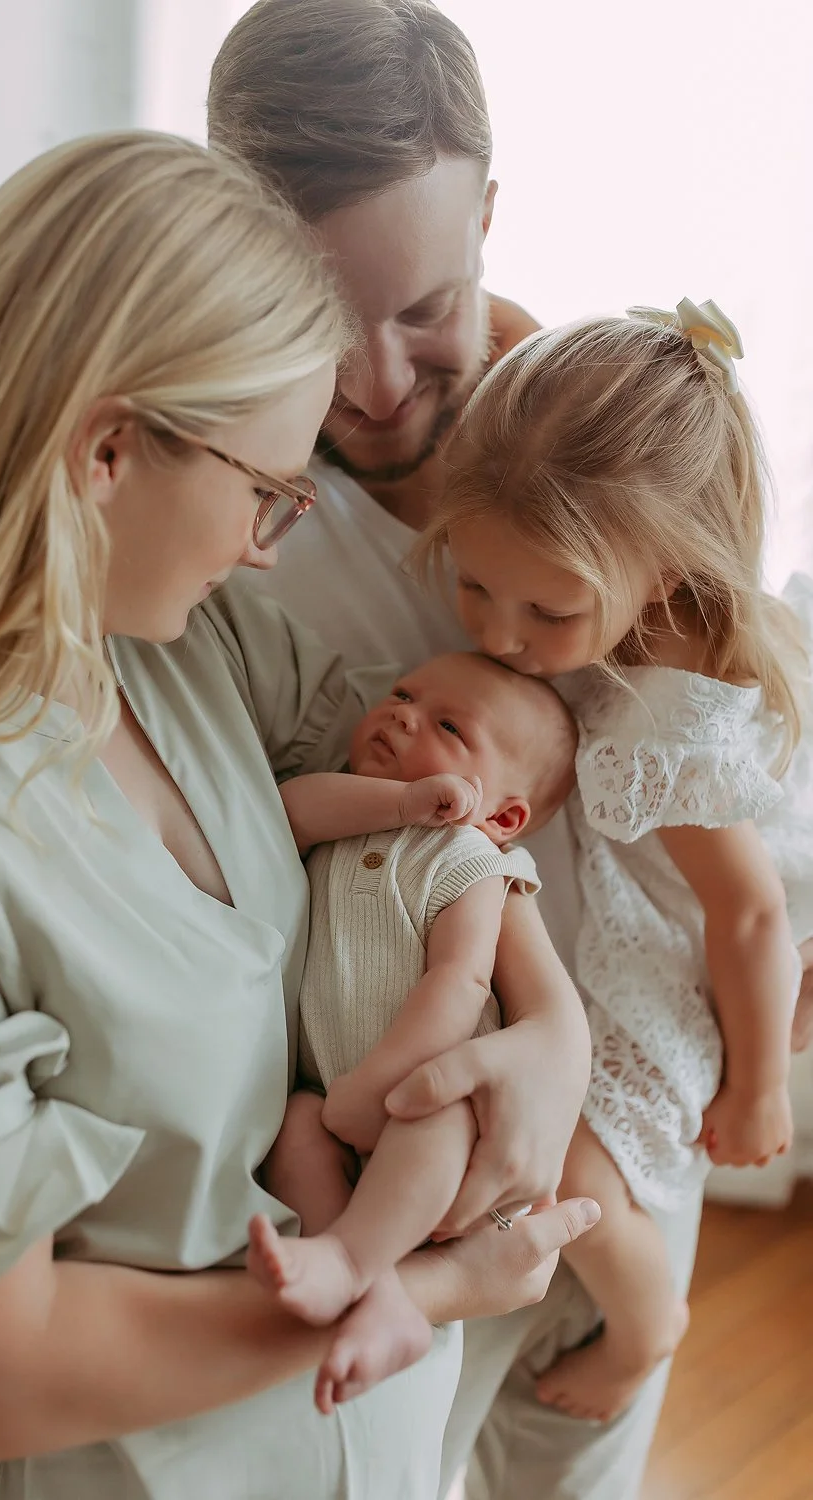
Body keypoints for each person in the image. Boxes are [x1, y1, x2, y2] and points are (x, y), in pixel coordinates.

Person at [0, 131, 599, 1500]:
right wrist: (427, 1281)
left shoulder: (187, 653)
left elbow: (475, 779)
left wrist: (552, 1028)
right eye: (266, 493)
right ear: (110, 451)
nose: (265, 546)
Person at [209, 2, 812, 1494]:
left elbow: (737, 713)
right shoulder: (216, 491)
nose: (379, 381)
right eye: (312, 305)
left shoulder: (605, 444)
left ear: (488, 212)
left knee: (572, 1451)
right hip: (385, 1125)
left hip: (612, 1123)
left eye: (426, 305)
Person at [423, 299, 813, 1423]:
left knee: (569, 1157)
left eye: (547, 609)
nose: (500, 635)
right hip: (673, 924)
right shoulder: (619, 561)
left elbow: (741, 919)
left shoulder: (660, 713)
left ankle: (646, 1328)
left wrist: (753, 1090)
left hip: (699, 966)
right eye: (473, 586)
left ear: (666, 569)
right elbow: (583, 433)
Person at [249, 654, 579, 1412]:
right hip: (335, 1106)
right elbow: (287, 808)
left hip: (434, 1110)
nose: (402, 715)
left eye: (449, 726)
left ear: (502, 817)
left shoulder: (471, 863)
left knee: (439, 1118)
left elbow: (459, 982)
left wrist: (383, 1082)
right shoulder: (345, 822)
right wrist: (399, 803)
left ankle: (356, 1260)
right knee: (298, 1125)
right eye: (401, 695)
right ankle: (362, 1280)